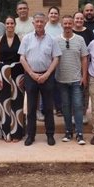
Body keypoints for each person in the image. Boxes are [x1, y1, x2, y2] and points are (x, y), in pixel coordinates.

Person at [18, 12, 61, 146]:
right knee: (31, 108)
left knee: (48, 108)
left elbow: (56, 58)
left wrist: (47, 74)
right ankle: (30, 136)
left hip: (47, 76)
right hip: (31, 76)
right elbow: (22, 58)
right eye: (37, 22)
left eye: (41, 22)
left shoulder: (52, 39)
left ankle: (50, 135)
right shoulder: (26, 39)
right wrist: (31, 74)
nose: (39, 24)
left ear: (45, 22)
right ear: (33, 23)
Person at [56, 15, 89, 145]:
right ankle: (68, 132)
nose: (68, 26)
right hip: (62, 79)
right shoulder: (56, 40)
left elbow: (84, 58)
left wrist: (84, 76)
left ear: (73, 25)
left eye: (70, 23)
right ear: (62, 25)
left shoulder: (80, 40)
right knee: (66, 107)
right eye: (65, 23)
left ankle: (79, 133)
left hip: (76, 79)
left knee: (78, 106)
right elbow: (54, 59)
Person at [0, 16, 25, 142]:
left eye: (12, 23)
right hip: (2, 73)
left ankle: (17, 134)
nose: (10, 25)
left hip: (18, 72)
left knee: (17, 102)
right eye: (8, 23)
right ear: (5, 25)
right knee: (4, 102)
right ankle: (6, 133)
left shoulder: (21, 39)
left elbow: (24, 57)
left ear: (15, 25)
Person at [72, 10, 94, 124]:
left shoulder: (89, 33)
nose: (79, 20)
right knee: (72, 89)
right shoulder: (69, 32)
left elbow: (93, 49)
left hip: (86, 65)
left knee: (84, 90)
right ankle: (73, 113)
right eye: (77, 18)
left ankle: (84, 112)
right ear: (73, 20)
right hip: (72, 66)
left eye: (81, 18)